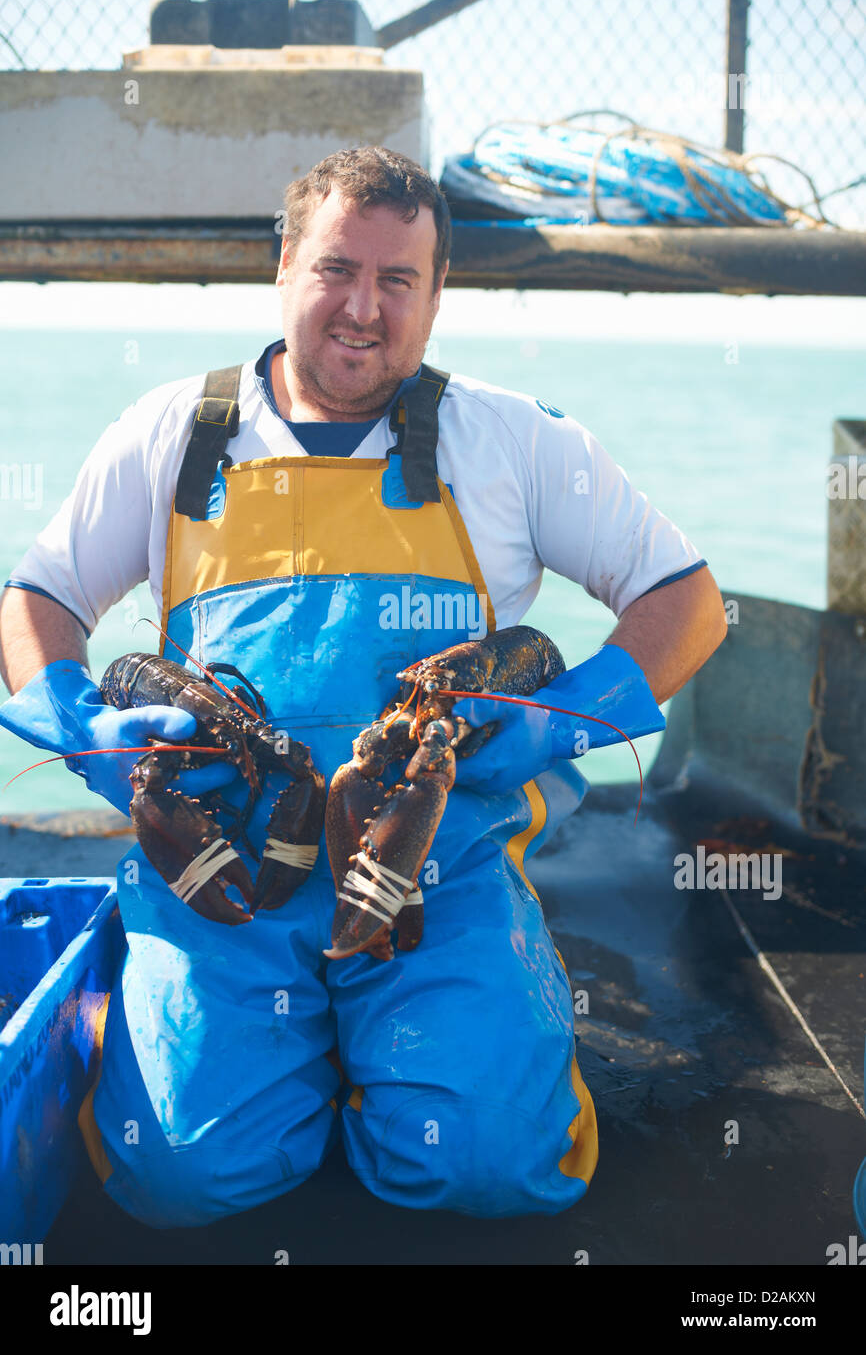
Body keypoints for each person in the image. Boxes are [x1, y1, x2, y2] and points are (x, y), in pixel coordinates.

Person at [0, 146, 726, 1227]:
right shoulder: (176, 432)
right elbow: (38, 596)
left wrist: (553, 727)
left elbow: (686, 601)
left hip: (439, 863)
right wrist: (75, 719)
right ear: (283, 263)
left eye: (399, 281)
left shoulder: (513, 438)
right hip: (223, 861)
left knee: (487, 1165)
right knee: (177, 1177)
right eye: (337, 269)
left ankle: (415, 1041)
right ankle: (230, 1029)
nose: (362, 308)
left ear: (438, 295)